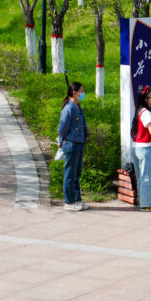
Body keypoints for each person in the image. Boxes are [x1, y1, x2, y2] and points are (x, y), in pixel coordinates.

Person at [57, 82, 89, 211]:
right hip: (71, 144)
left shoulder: (78, 106)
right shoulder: (69, 109)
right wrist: (60, 139)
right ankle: (69, 202)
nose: (83, 93)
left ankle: (77, 199)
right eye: (81, 91)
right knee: (70, 173)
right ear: (75, 93)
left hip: (79, 143)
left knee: (77, 173)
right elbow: (62, 127)